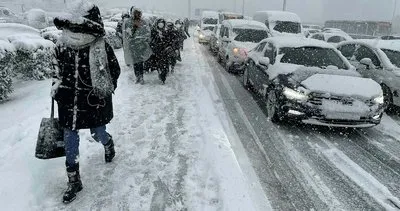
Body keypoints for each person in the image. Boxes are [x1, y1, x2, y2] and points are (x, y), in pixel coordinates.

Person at [52, 1, 120, 204]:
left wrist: (102, 90)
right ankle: (73, 180)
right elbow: (55, 71)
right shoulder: (61, 44)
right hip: (69, 102)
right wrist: (57, 87)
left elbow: (114, 71)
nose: (74, 29)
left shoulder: (100, 46)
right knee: (70, 139)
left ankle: (108, 144)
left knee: (98, 132)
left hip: (93, 101)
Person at [122, 7, 152, 84]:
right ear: (132, 13)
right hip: (133, 45)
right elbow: (126, 34)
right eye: (135, 13)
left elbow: (147, 33)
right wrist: (133, 29)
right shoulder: (128, 22)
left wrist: (143, 39)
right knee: (135, 62)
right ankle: (137, 77)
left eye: (138, 13)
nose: (137, 14)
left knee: (140, 62)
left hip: (142, 45)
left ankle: (141, 77)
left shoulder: (144, 22)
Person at [150, 18, 169, 84]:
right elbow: (151, 41)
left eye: (162, 23)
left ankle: (163, 77)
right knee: (158, 65)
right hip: (156, 51)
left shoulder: (166, 31)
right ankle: (160, 74)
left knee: (164, 66)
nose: (161, 24)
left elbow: (168, 41)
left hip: (164, 52)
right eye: (159, 23)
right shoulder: (153, 31)